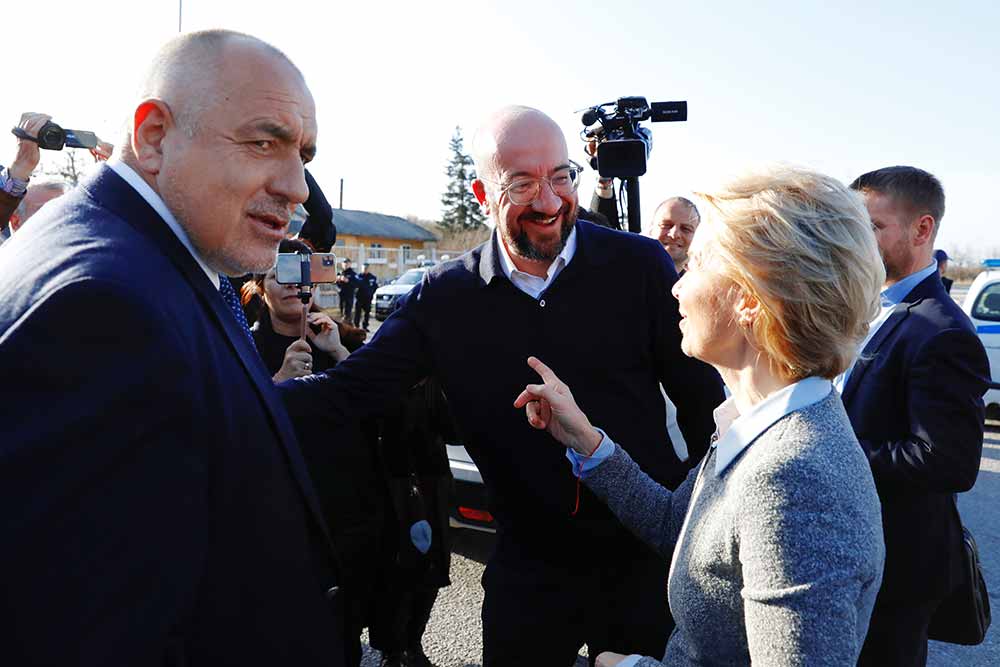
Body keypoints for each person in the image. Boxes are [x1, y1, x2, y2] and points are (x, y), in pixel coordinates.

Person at [280, 105, 725, 666]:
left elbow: (705, 406)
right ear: (482, 192)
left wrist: (694, 529)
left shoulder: (638, 265)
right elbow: (348, 393)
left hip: (643, 563)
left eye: (561, 176)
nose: (548, 201)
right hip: (529, 569)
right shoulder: (443, 297)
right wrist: (226, 396)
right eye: (522, 183)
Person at [0, 30, 351, 665]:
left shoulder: (138, 257)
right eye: (263, 141)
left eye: (303, 153)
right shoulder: (106, 306)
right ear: (155, 135)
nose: (298, 186)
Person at [515, 165, 887, 666]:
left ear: (753, 299)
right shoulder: (756, 422)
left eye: (698, 265)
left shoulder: (795, 477)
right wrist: (587, 441)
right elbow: (684, 531)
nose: (676, 288)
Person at [844, 166, 990, 667]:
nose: (856, 240)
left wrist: (831, 452)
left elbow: (948, 462)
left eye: (872, 227)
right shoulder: (861, 308)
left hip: (898, 570)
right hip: (851, 555)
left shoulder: (943, 331)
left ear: (922, 229)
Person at [645, 197, 700, 274]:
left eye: (686, 229)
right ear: (651, 230)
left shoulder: (708, 284)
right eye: (666, 225)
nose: (674, 234)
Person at [354, 262, 379, 330]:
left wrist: (371, 293)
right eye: (364, 268)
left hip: (368, 299)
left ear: (368, 269)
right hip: (359, 298)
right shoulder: (358, 277)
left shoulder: (372, 277)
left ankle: (365, 326)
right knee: (358, 313)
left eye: (366, 268)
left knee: (367, 313)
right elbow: (354, 286)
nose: (365, 269)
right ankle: (356, 326)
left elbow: (375, 287)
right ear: (362, 268)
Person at [338, 257, 359, 321]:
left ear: (350, 264)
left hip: (349, 295)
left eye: (347, 263)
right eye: (344, 263)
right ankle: (344, 322)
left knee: (347, 312)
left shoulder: (353, 274)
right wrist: (337, 280)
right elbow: (335, 284)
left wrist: (348, 281)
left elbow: (356, 284)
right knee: (342, 310)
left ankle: (347, 322)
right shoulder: (340, 273)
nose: (345, 264)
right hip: (341, 294)